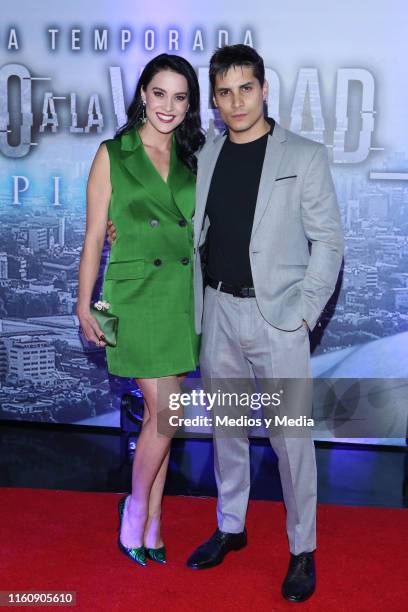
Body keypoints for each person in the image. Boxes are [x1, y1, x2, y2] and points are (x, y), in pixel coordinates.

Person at [107, 44, 343, 602]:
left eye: (245, 89)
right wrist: (127, 233)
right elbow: (170, 219)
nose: (236, 102)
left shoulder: (304, 156)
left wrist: (305, 312)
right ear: (213, 101)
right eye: (224, 92)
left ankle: (302, 548)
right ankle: (231, 527)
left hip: (279, 319)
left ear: (264, 89)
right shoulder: (205, 156)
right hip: (216, 313)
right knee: (227, 432)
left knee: (290, 441)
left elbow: (329, 242)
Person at [77, 53, 205, 567]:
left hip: (180, 296)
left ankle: (153, 520)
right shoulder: (114, 152)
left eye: (179, 97)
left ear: (190, 104)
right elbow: (92, 236)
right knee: (167, 413)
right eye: (159, 94)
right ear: (142, 95)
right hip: (131, 295)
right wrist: (84, 304)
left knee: (163, 415)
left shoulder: (196, 157)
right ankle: (134, 509)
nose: (168, 107)